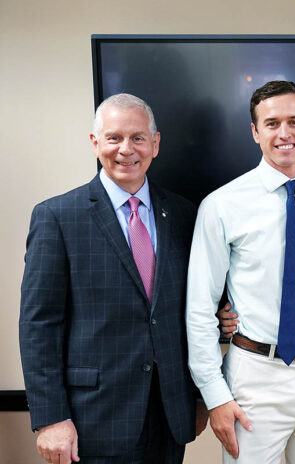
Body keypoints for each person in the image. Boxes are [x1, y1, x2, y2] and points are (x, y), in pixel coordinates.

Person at [19, 93, 209, 464]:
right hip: (92, 418)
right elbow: (39, 325)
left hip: (169, 413)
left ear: (155, 143)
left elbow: (190, 306)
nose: (126, 149)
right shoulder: (58, 217)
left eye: (138, 138)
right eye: (113, 138)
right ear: (95, 143)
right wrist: (51, 418)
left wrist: (200, 396)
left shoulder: (185, 215)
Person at [186, 80, 295, 464]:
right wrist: (215, 395)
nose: (285, 133)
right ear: (255, 132)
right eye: (272, 123)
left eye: (294, 122)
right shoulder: (222, 205)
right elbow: (199, 307)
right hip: (253, 376)